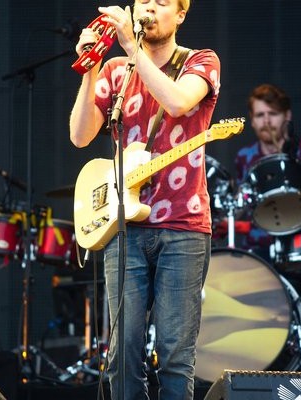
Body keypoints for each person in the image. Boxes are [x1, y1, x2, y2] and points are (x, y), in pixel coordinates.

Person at [69, 1, 221, 399]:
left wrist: (132, 51)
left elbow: (176, 102)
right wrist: (90, 70)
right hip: (125, 228)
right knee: (122, 356)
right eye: (143, 2)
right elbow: (80, 135)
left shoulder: (201, 61)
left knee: (174, 357)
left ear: (181, 15)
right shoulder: (118, 71)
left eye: (161, 2)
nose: (149, 8)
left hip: (183, 228)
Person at [215, 83, 301, 262]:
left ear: (287, 115)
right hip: (256, 252)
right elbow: (238, 208)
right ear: (252, 120)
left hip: (300, 249)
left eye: (273, 114)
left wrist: (297, 180)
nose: (267, 121)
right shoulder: (245, 156)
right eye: (260, 115)